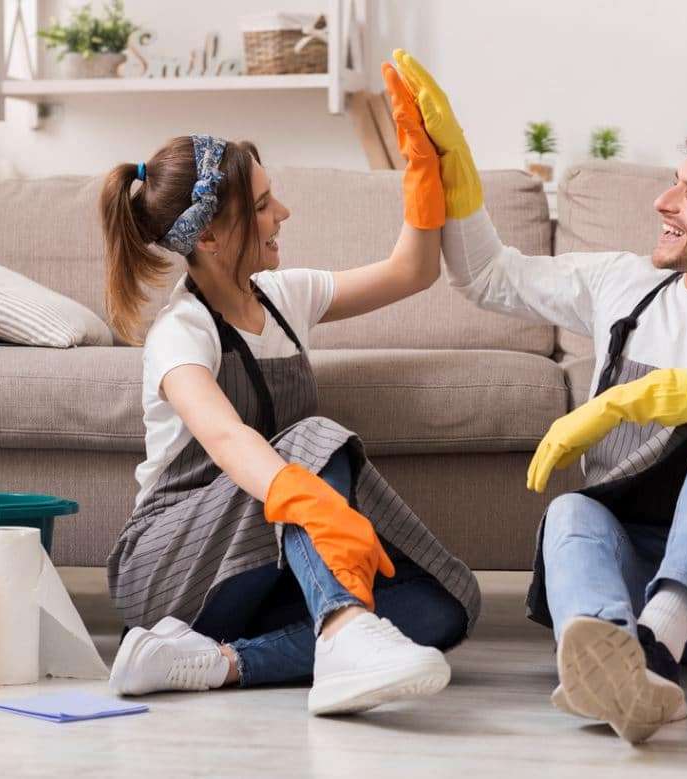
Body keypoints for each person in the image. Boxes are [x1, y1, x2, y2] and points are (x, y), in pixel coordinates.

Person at [392, 49, 687, 743]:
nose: (663, 202)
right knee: (571, 509)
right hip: (621, 586)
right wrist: (454, 162)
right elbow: (489, 277)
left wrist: (622, 402)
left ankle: (659, 642)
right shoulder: (623, 285)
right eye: (674, 183)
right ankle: (615, 660)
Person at [98, 62, 479, 716]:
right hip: (168, 569)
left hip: (259, 561)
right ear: (209, 235)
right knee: (310, 438)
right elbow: (225, 436)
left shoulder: (283, 296)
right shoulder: (181, 332)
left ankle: (218, 662)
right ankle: (343, 625)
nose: (284, 213)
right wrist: (308, 498)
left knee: (445, 604)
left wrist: (422, 165)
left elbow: (411, 272)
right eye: (262, 205)